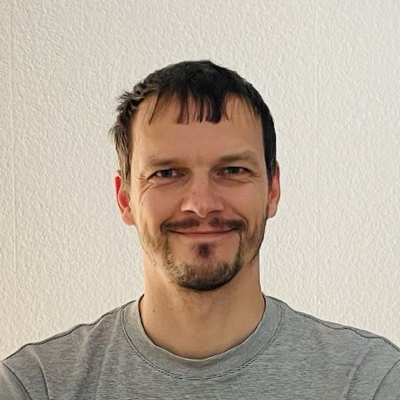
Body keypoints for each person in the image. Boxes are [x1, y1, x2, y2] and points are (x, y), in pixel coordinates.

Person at [1, 60, 399, 399]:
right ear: (125, 199)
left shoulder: (369, 381)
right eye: (167, 173)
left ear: (272, 190)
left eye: (233, 170)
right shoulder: (35, 387)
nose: (202, 203)